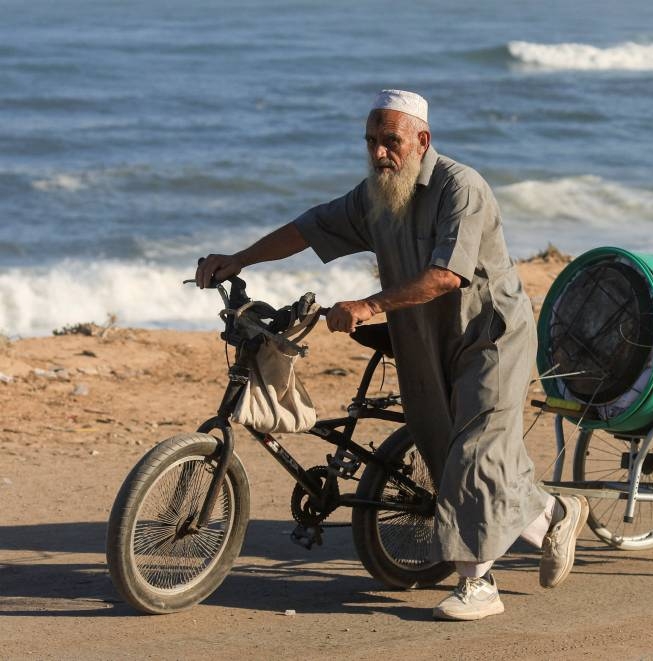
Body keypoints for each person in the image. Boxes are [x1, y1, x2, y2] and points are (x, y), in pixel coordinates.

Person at [195, 89, 589, 621]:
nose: (380, 153)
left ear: (422, 141)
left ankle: (479, 585)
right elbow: (309, 227)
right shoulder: (375, 196)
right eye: (371, 142)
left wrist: (368, 304)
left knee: (474, 453)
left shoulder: (461, 187)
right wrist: (239, 259)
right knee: (446, 452)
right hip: (423, 339)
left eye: (391, 142)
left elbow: (449, 275)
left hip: (489, 340)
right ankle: (553, 512)